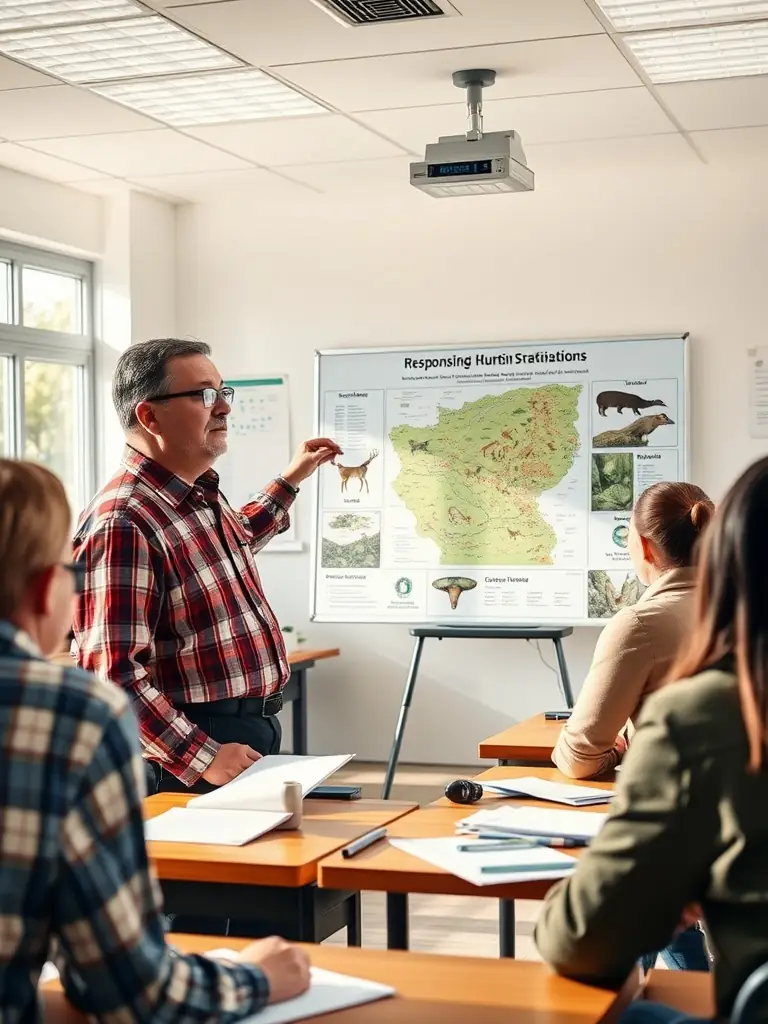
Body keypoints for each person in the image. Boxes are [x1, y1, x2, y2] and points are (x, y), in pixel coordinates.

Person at [0, 458, 310, 1022]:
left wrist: (290, 481)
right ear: (49, 589)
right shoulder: (66, 717)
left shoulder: (199, 499)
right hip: (197, 741)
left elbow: (238, 536)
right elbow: (127, 987)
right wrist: (256, 979)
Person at [535, 455, 768, 1020]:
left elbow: (582, 753)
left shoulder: (697, 710)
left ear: (642, 549)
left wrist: (622, 752)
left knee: (625, 1002)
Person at [72, 338, 341, 795]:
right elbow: (111, 675)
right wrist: (202, 755)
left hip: (240, 735)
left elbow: (236, 540)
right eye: (203, 395)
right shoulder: (124, 521)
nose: (224, 409)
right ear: (150, 416)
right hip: (188, 754)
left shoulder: (192, 493)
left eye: (222, 392)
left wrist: (291, 478)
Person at [553, 481, 714, 780]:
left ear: (644, 546)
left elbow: (578, 759)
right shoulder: (747, 608)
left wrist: (621, 748)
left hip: (679, 811)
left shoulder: (641, 624)